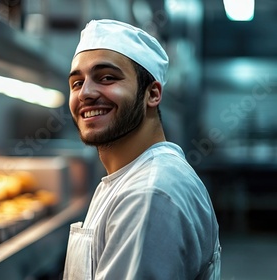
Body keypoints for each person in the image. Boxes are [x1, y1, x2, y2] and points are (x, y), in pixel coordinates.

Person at [63, 19, 221, 279]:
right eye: (77, 83)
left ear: (152, 94)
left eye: (107, 78)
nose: (85, 93)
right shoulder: (129, 177)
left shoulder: (149, 194)